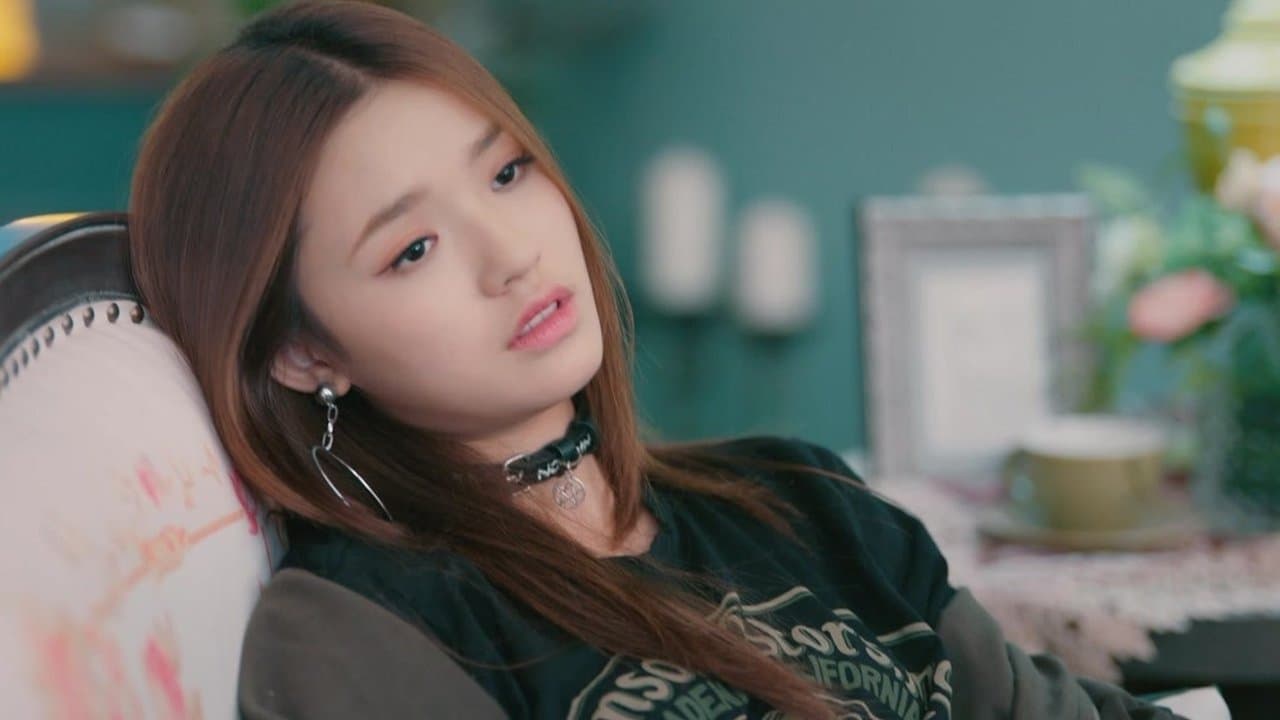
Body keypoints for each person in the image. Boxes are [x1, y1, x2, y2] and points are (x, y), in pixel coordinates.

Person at [127, 2, 1185, 718]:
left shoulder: (804, 500)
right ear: (303, 350)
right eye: (413, 249)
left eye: (506, 174)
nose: (511, 253)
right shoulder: (366, 629)